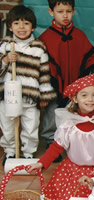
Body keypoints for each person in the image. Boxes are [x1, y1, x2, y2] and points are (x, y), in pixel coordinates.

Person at [26, 74, 94, 200]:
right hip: (72, 170)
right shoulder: (68, 124)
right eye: (84, 95)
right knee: (67, 195)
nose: (90, 99)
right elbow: (56, 147)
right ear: (75, 98)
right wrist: (42, 163)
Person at [39, 0, 94, 150]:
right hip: (53, 84)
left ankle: (76, 139)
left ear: (74, 11)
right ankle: (50, 140)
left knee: (76, 111)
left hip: (76, 84)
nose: (65, 15)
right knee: (52, 112)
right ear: (51, 12)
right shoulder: (45, 37)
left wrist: (90, 68)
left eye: (68, 11)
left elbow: (90, 55)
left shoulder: (79, 35)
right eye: (60, 12)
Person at [0, 5, 56, 164]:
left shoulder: (38, 48)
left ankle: (28, 153)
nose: (21, 27)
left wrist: (44, 94)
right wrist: (5, 60)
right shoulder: (5, 46)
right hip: (9, 97)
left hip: (30, 96)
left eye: (26, 23)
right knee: (8, 127)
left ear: (33, 27)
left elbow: (44, 74)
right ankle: (10, 152)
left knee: (31, 127)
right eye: (16, 23)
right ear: (10, 27)